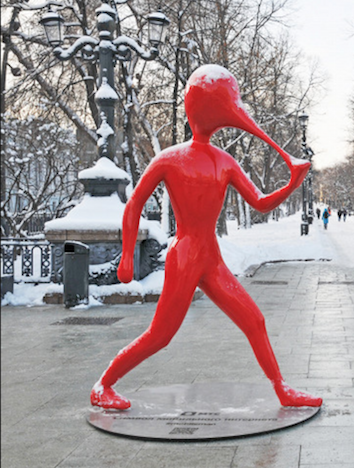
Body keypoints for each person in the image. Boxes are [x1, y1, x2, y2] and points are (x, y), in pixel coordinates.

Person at [89, 65, 321, 410]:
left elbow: (258, 203)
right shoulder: (171, 159)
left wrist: (291, 184)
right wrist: (126, 255)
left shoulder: (223, 162)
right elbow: (133, 203)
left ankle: (282, 389)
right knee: (161, 336)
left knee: (254, 320)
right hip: (184, 257)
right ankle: (103, 385)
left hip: (209, 256)